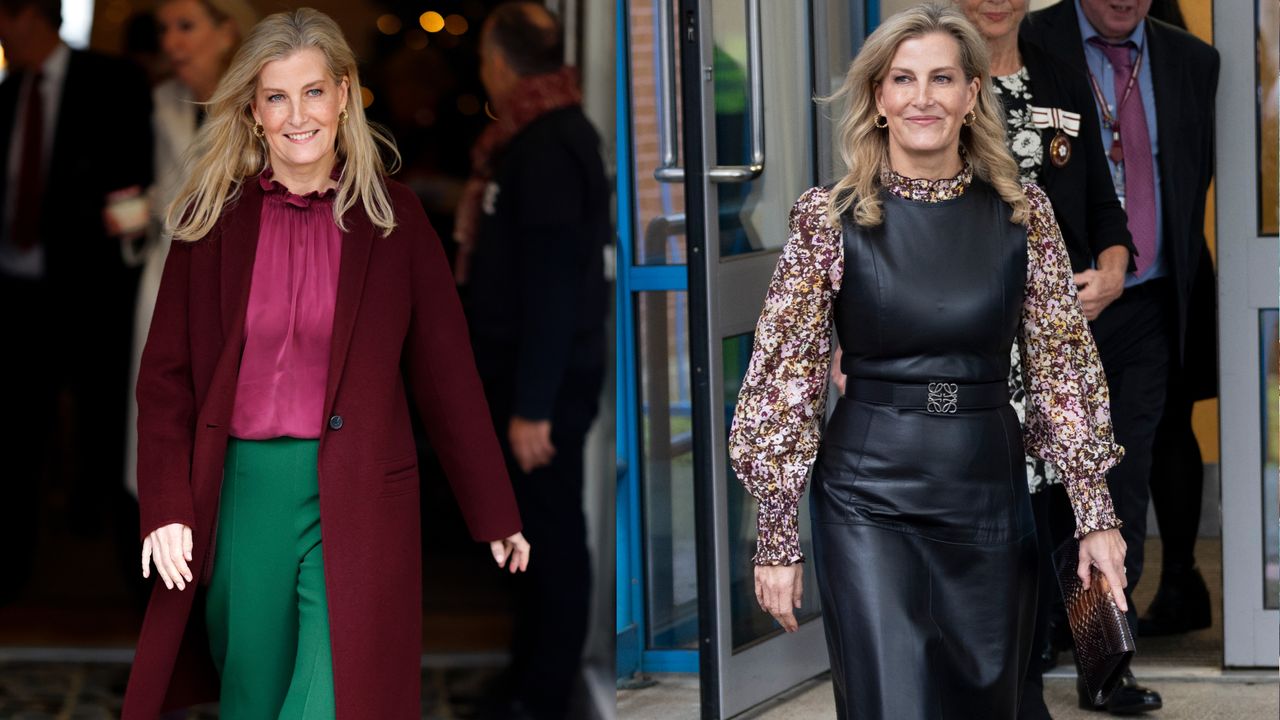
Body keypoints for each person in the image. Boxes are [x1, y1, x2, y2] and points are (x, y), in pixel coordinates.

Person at [122, 9, 531, 718]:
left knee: (327, 702)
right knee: (252, 702)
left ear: (344, 95)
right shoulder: (209, 222)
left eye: (313, 92)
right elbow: (165, 381)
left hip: (359, 494)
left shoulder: (396, 224)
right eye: (277, 96)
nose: (297, 115)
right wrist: (164, 504)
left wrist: (494, 510)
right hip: (243, 498)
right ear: (253, 109)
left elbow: (447, 379)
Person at [728, 5, 1127, 718]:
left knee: (986, 703)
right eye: (903, 79)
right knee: (894, 703)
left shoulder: (1022, 213)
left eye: (942, 78)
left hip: (989, 495)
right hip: (868, 502)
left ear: (972, 94)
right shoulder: (827, 220)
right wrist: (777, 540)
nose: (922, 98)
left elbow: (1063, 368)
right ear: (878, 97)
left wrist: (1096, 516)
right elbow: (783, 384)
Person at [1023, 0, 1219, 711]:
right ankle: (1038, 630)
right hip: (1051, 312)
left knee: (1119, 489)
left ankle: (1105, 663)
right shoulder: (1028, 41)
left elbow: (1189, 181)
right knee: (1043, 489)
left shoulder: (1196, 61)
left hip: (1148, 305)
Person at [951, 2, 1133, 717]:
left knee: (1085, 518)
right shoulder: (942, 85)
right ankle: (1022, 685)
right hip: (982, 357)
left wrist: (1114, 264)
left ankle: (1104, 667)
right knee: (1014, 542)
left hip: (1058, 352)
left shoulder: (1061, 76)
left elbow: (1099, 202)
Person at [460, 3, 609, 718]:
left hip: (540, 389)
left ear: (499, 61)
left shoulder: (549, 143)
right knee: (522, 534)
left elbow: (555, 285)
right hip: (523, 379)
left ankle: (546, 697)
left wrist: (533, 407)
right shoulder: (530, 133)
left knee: (547, 538)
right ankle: (525, 679)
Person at [0, 0, 153, 603]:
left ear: (33, 17)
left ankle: (132, 585)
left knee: (110, 432)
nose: (3, 31)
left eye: (7, 17)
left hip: (91, 295)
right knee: (14, 438)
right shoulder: (9, 91)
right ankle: (12, 575)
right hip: (15, 291)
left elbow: (132, 178)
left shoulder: (109, 80)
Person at [125, 0, 257, 501]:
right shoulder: (160, 102)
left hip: (234, 277)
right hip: (164, 271)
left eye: (186, 26)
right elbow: (165, 192)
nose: (171, 42)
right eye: (164, 29)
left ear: (226, 33)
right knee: (161, 398)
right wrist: (139, 213)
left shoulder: (256, 101)